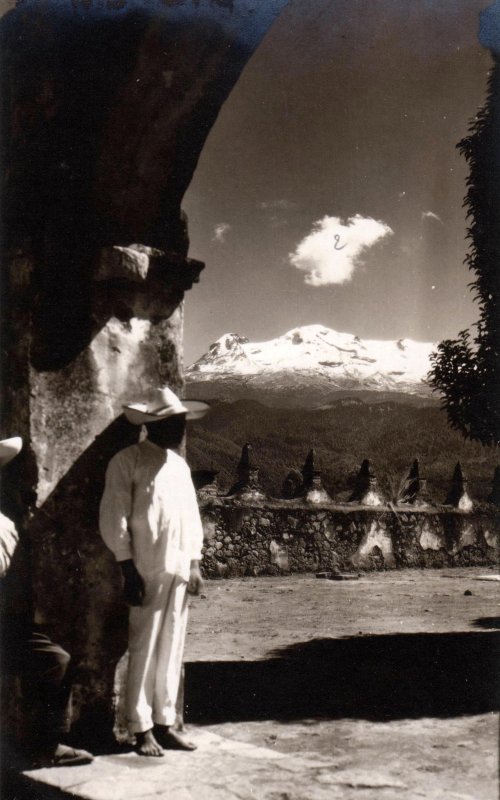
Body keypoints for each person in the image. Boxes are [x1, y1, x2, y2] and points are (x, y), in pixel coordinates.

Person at [99, 387, 209, 757]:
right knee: (143, 646)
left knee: (173, 645)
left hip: (178, 568)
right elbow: (115, 518)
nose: (179, 429)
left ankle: (165, 721)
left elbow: (191, 519)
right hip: (145, 569)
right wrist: (128, 569)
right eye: (172, 422)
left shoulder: (179, 467)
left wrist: (194, 563)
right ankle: (140, 726)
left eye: (181, 422)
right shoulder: (126, 462)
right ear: (152, 425)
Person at [0, 436, 93, 767]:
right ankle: (47, 745)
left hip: (14, 622)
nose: (32, 490)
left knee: (55, 657)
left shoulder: (12, 520)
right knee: (56, 661)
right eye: (25, 482)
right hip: (7, 624)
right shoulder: (3, 525)